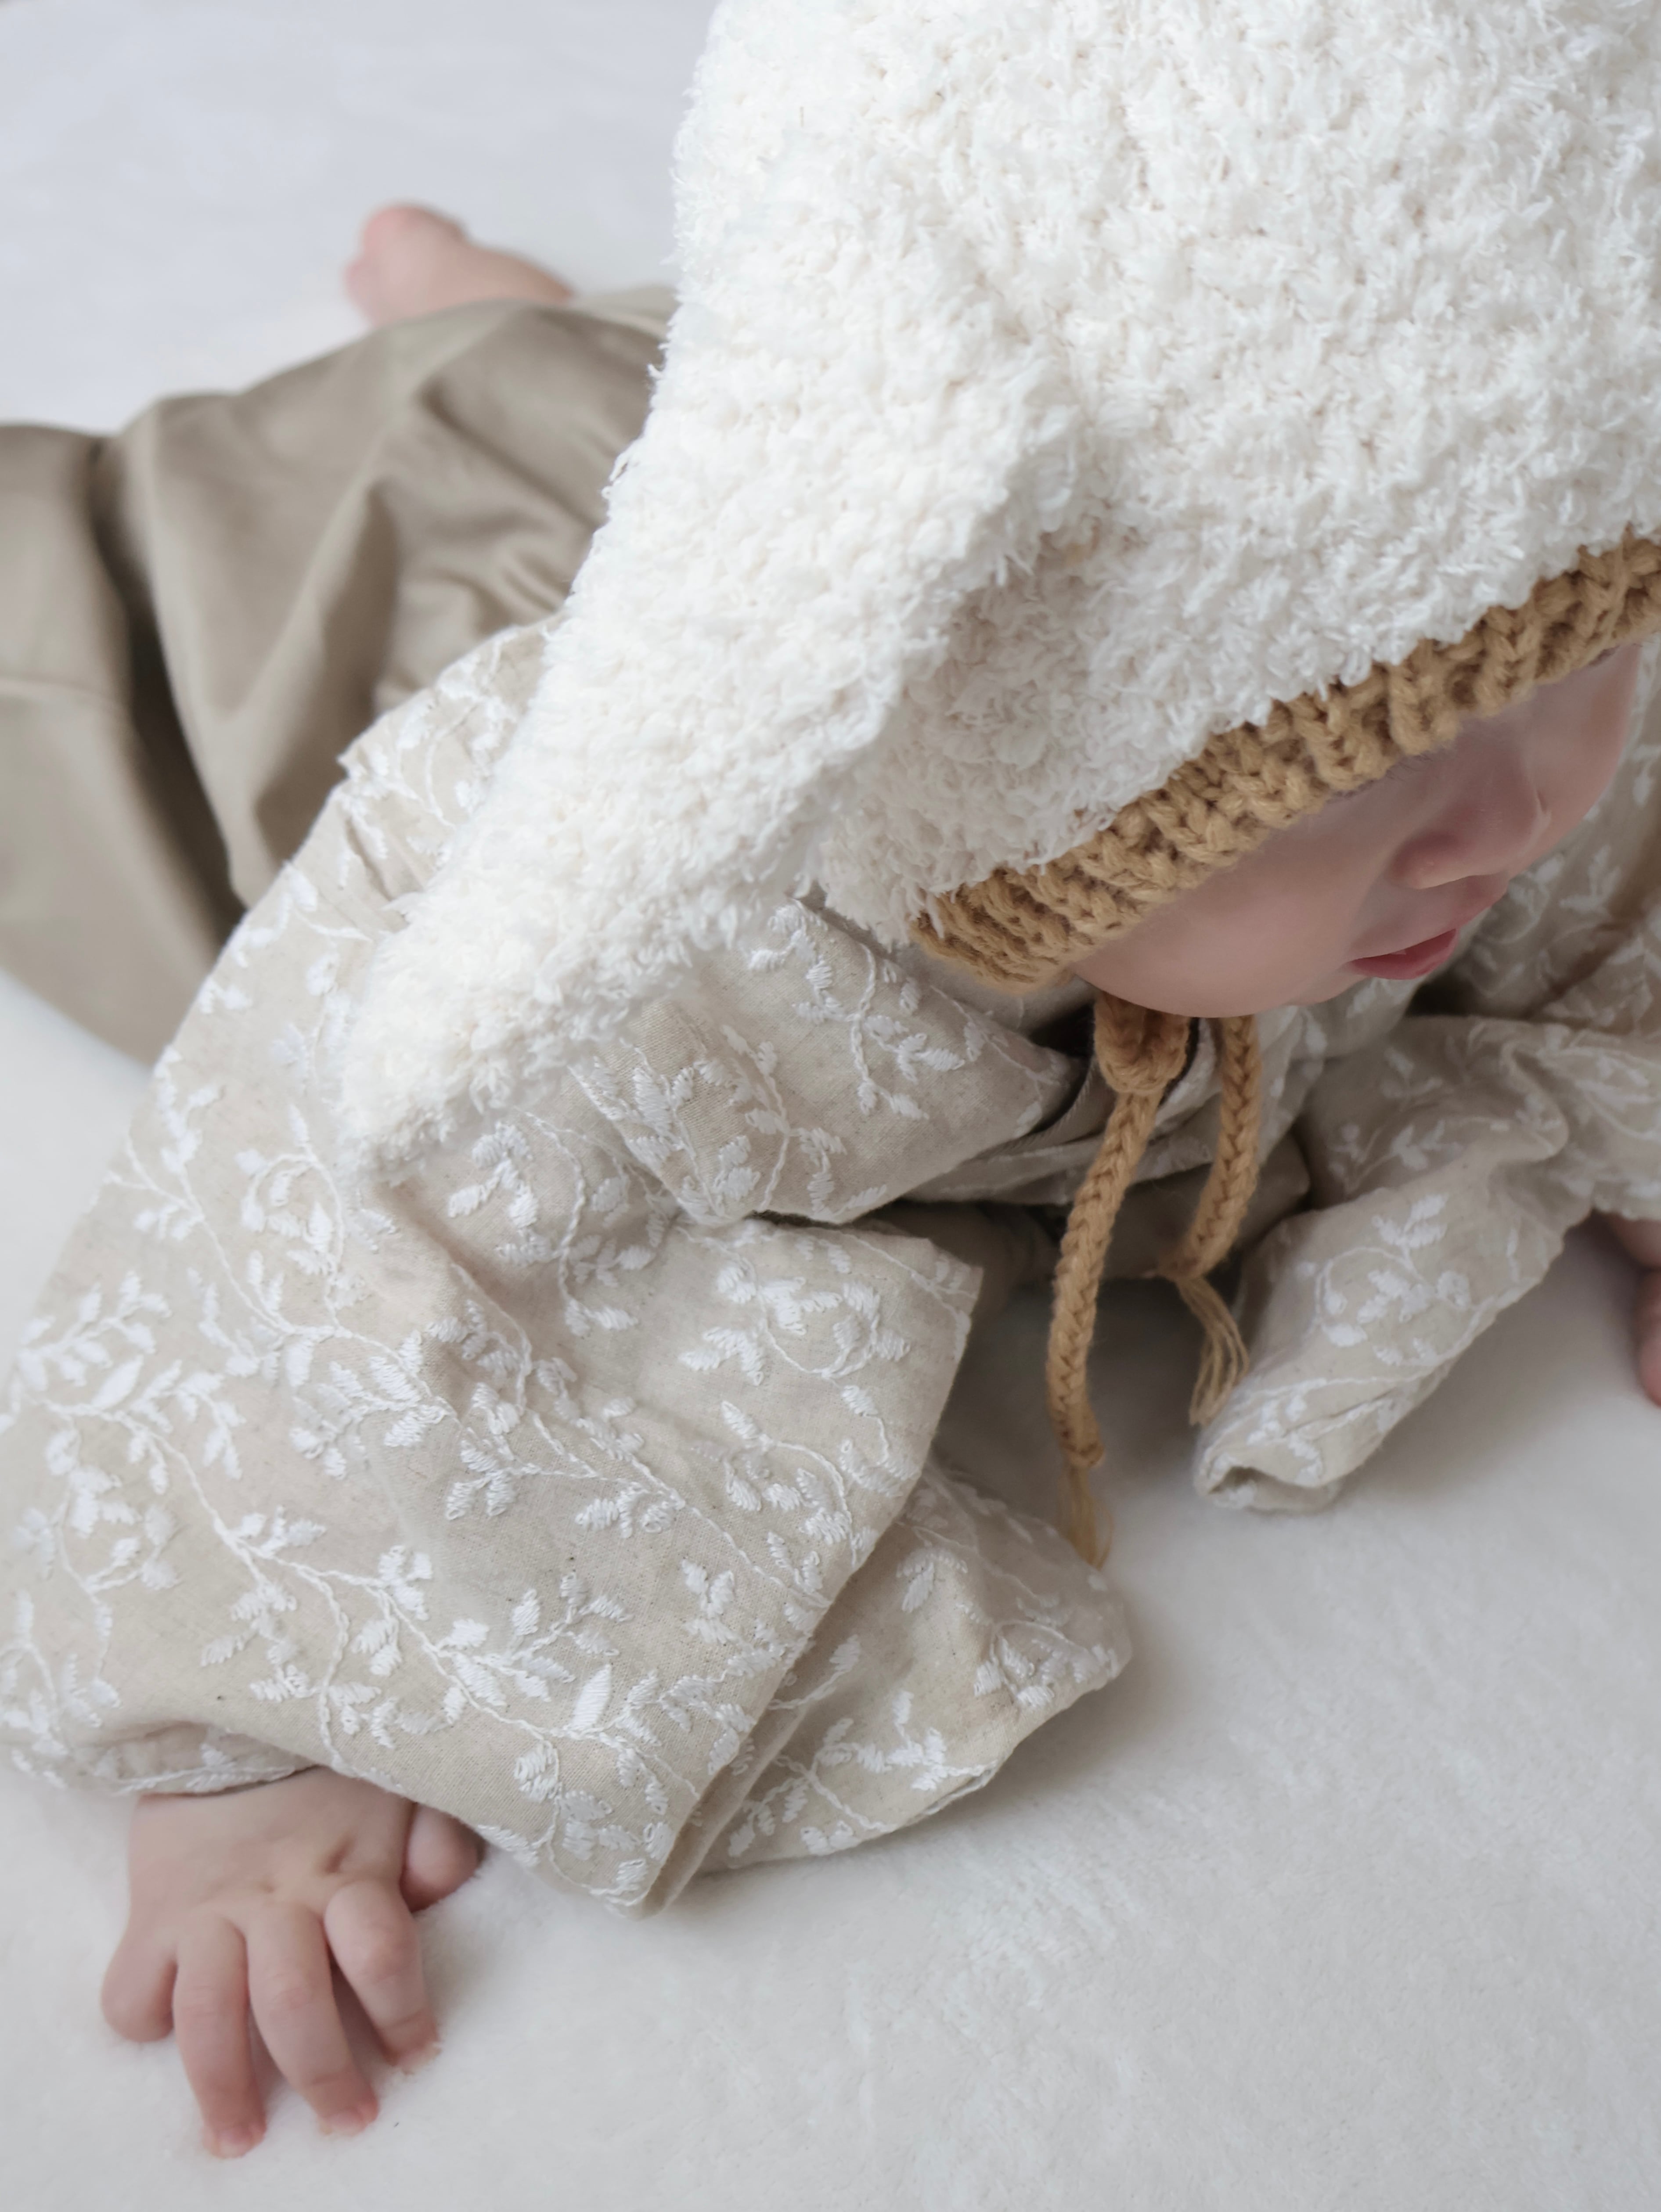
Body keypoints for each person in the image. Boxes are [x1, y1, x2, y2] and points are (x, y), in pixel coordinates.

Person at [4, 0, 1660, 2165]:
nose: (1513, 816)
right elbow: (332, 1194)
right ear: (1045, 773)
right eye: (1359, 780)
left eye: (1590, 667)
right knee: (113, 635)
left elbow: (1601, 868)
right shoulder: (621, 905)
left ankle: (509, 309)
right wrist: (259, 1723)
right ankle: (463, 333)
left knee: (642, 385)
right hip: (392, 604)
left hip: (829, 479)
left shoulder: (1423, 589)